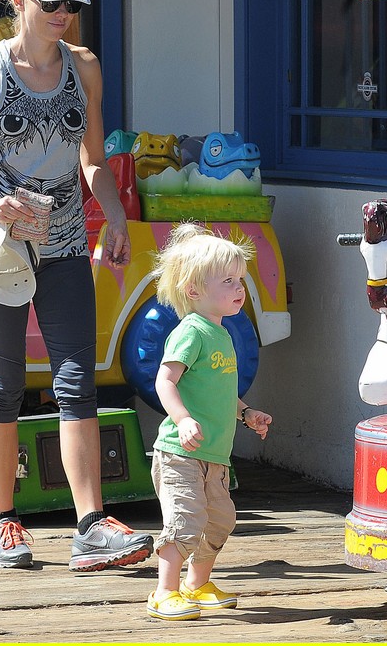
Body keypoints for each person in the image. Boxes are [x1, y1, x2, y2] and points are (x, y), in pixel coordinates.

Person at [0, 0, 152, 571]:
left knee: (77, 381)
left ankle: (90, 523)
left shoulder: (84, 68)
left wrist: (114, 214)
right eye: (52, 2)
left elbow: (93, 159)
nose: (64, 13)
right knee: (5, 382)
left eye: (71, 3)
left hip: (65, 243)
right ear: (17, 0)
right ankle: (4, 520)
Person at [146, 224, 273, 621]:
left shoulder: (222, 334)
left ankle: (196, 584)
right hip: (180, 452)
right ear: (194, 290)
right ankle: (163, 591)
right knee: (185, 522)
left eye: (241, 280)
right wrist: (182, 420)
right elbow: (164, 381)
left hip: (215, 454)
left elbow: (219, 392)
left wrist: (246, 412)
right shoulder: (191, 332)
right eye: (228, 281)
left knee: (220, 520)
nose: (240, 289)